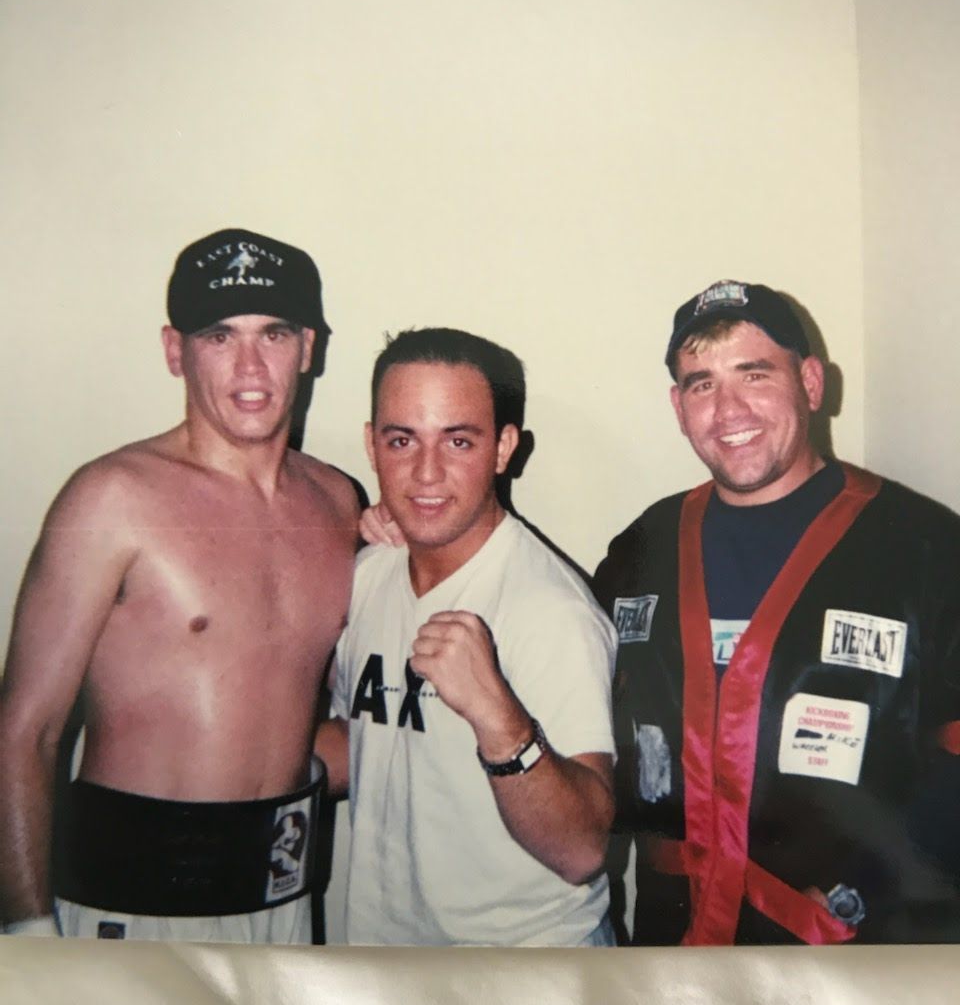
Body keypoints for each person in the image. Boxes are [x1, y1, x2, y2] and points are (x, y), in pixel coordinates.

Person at [0, 228, 358, 943]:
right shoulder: (111, 498)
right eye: (220, 336)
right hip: (131, 909)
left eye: (275, 334)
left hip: (283, 905)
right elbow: (22, 734)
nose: (251, 366)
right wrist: (28, 940)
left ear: (309, 348)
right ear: (175, 350)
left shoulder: (340, 504)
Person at [593, 279, 960, 945]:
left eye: (754, 374)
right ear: (678, 407)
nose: (728, 409)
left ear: (812, 383)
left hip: (858, 956)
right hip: (671, 949)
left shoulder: (929, 551)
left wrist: (859, 892)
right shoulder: (641, 548)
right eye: (701, 384)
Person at [315, 328, 617, 945]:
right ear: (372, 445)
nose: (426, 473)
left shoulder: (550, 610)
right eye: (402, 439)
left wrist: (497, 716)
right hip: (385, 963)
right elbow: (369, 744)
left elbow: (581, 850)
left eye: (458, 440)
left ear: (504, 447)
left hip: (522, 982)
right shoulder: (368, 577)